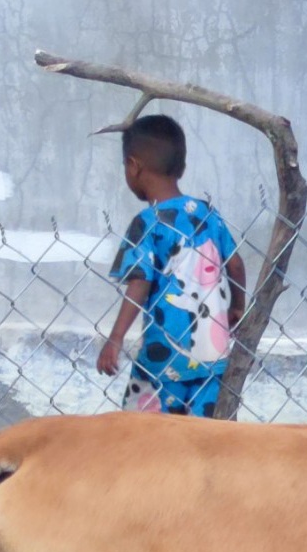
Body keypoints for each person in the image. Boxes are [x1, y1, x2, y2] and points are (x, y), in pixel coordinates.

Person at [96, 114, 248, 418]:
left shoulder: (148, 223)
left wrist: (115, 338)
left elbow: (139, 282)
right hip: (212, 359)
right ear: (181, 168)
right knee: (205, 442)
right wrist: (237, 306)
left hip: (162, 362)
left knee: (144, 441)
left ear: (133, 166)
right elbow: (236, 265)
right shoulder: (206, 214)